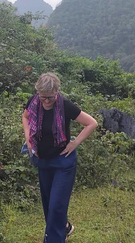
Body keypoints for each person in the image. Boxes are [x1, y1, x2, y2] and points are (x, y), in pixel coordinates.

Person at [22, 73, 98, 242]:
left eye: (50, 97)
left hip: (63, 162)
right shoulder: (34, 102)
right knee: (49, 205)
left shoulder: (66, 106)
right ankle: (64, 227)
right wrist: (28, 139)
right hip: (42, 160)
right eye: (43, 97)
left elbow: (91, 123)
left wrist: (74, 143)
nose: (46, 101)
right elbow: (26, 117)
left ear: (56, 92)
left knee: (57, 205)